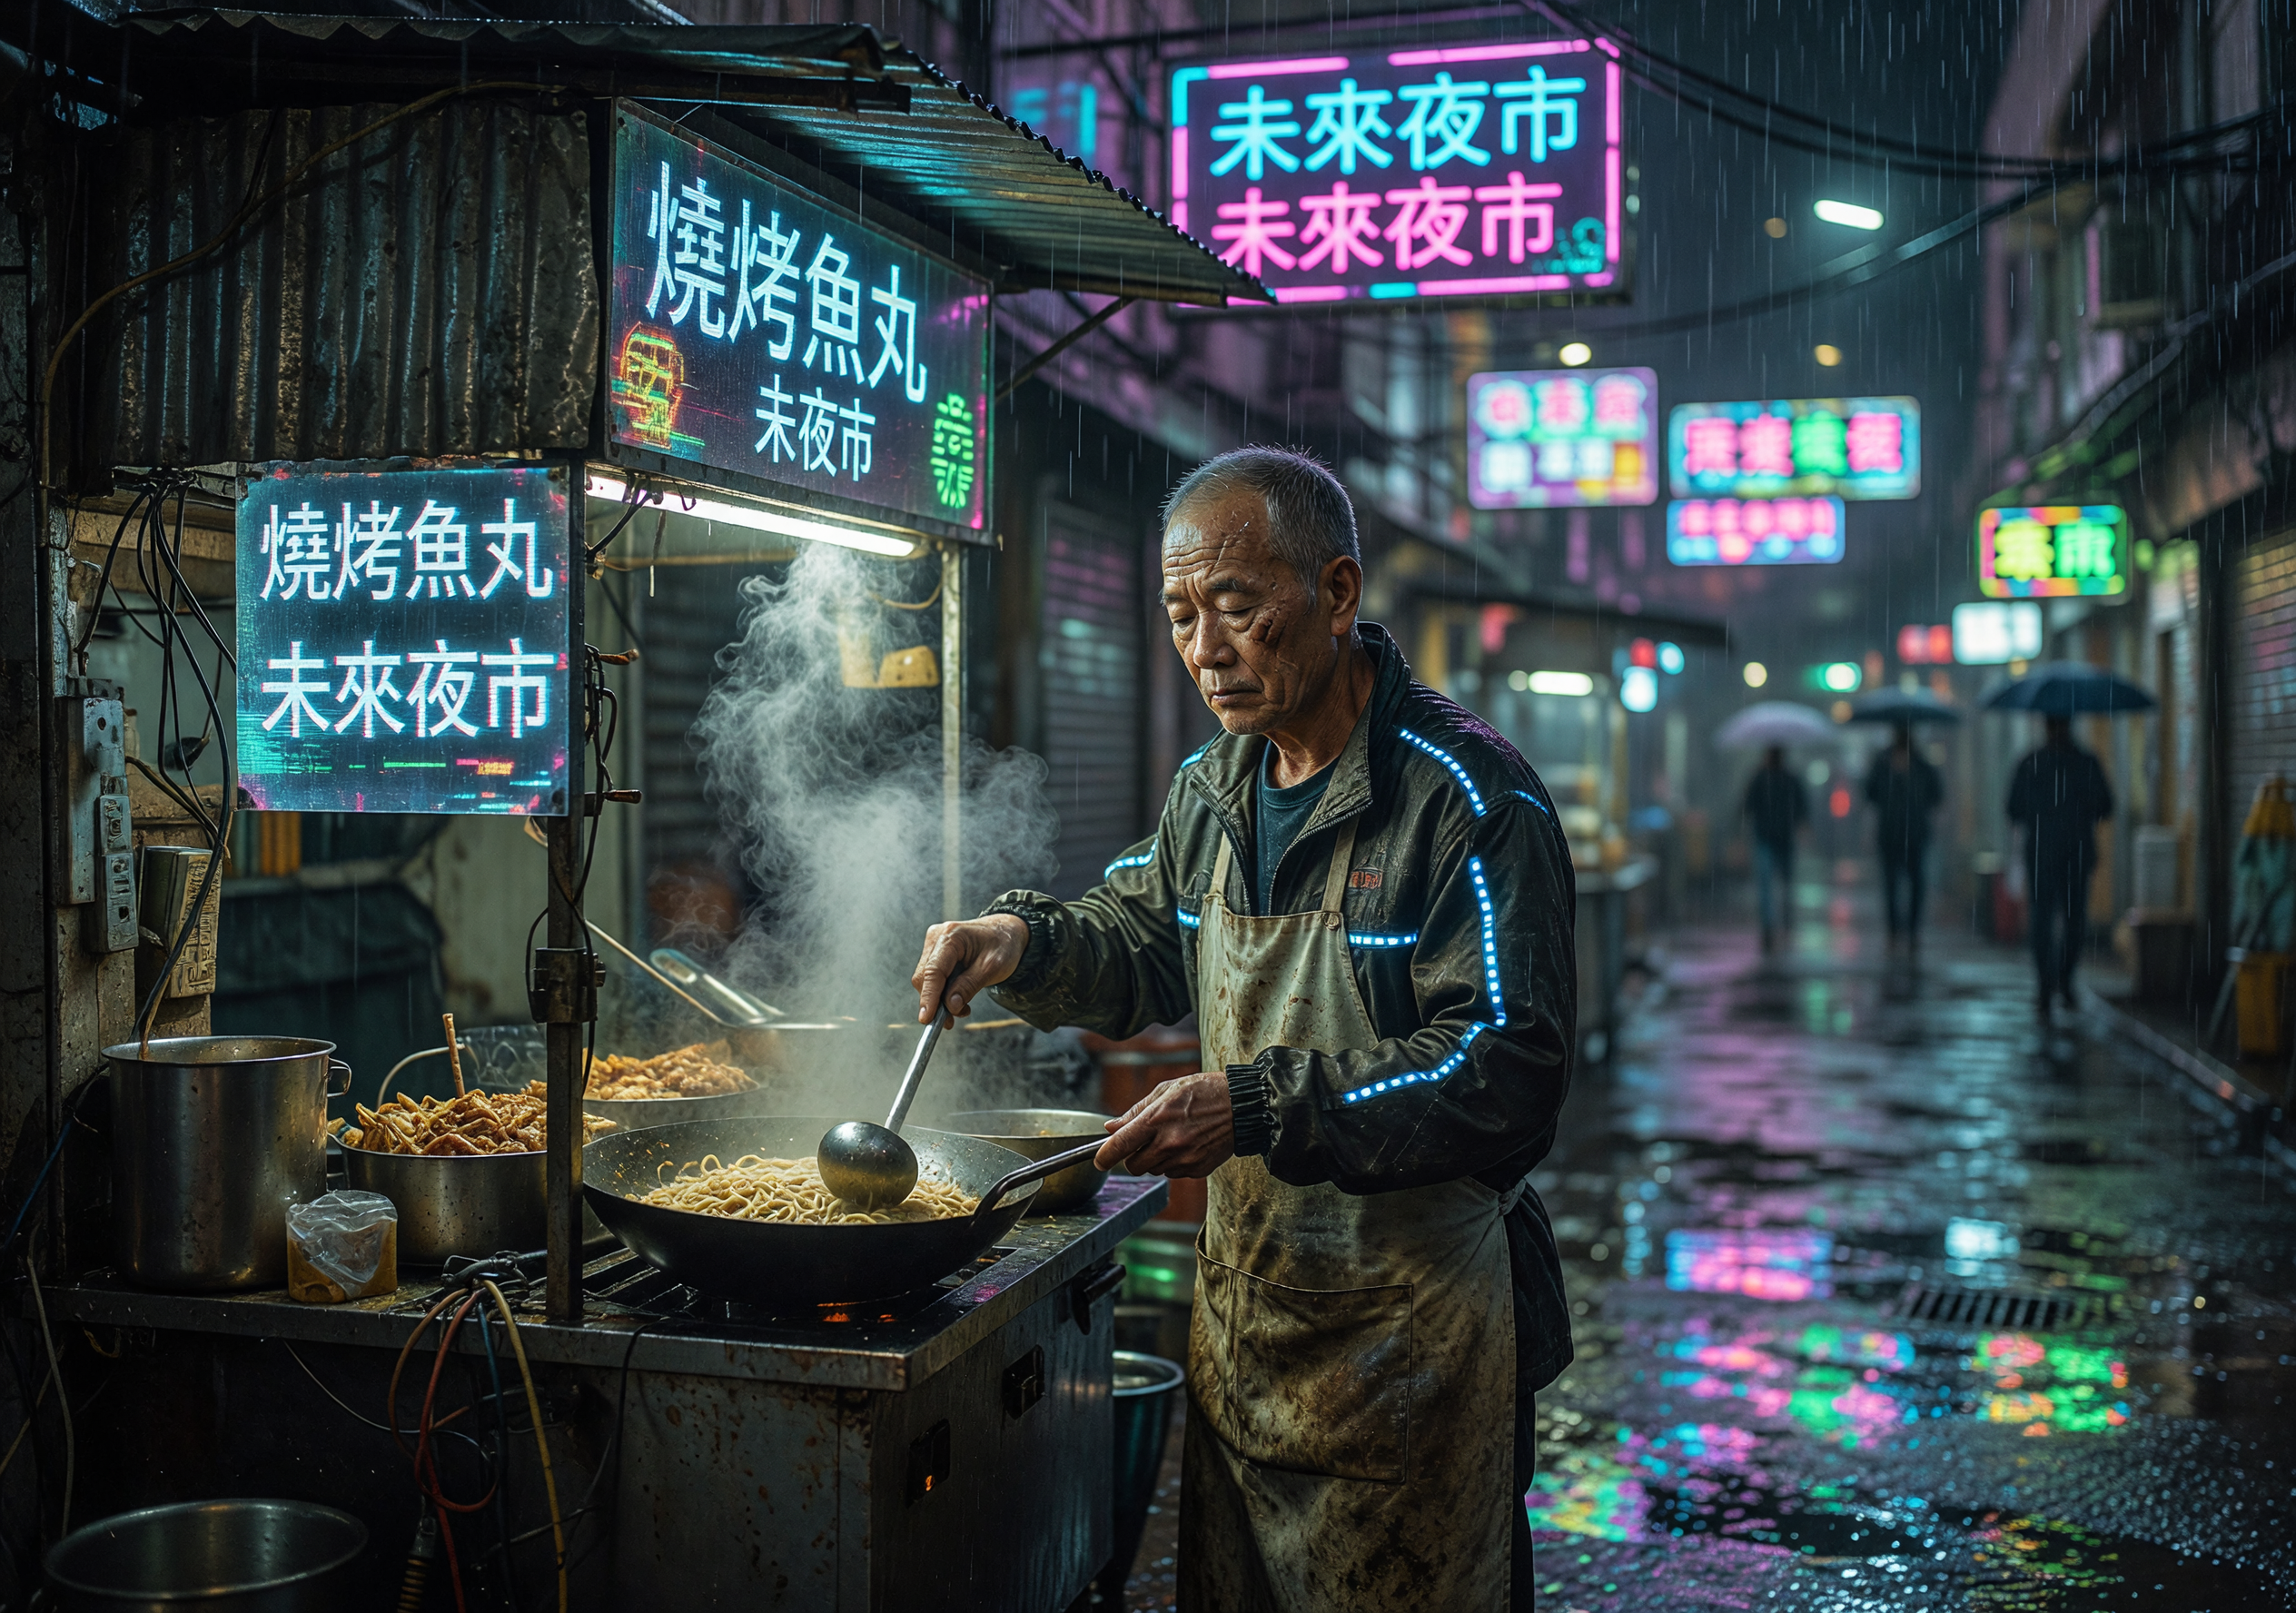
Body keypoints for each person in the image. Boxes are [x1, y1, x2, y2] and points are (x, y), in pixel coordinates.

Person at [910, 447, 1577, 1613]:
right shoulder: (1211, 792)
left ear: (1333, 593)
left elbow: (1506, 1068)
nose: (1204, 650)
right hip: (1248, 1333)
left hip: (1410, 1347)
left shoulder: (1464, 802)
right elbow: (1137, 936)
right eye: (1179, 614)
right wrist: (1025, 943)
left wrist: (1260, 1105)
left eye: (1234, 606)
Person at [2006, 713, 2113, 1014]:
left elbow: (2012, 808)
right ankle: (2065, 982)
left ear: (2046, 726)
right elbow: (2106, 806)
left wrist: (2039, 814)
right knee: (2074, 920)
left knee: (2041, 921)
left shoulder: (2030, 763)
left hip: (2041, 854)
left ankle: (2045, 986)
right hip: (2077, 853)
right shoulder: (2086, 763)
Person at [1865, 723, 1944, 945]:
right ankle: (1895, 929)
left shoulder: (1920, 765)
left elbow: (1935, 796)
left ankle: (1911, 929)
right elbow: (1870, 793)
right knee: (1892, 884)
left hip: (1914, 835)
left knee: (1915, 883)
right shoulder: (1884, 763)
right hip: (1891, 835)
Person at [1743, 745, 1806, 952]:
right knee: (1778, 885)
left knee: (1773, 885)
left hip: (1775, 839)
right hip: (1773, 839)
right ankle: (1776, 925)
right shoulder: (1770, 779)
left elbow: (1747, 807)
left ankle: (1775, 925)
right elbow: (1801, 807)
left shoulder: (1766, 778)